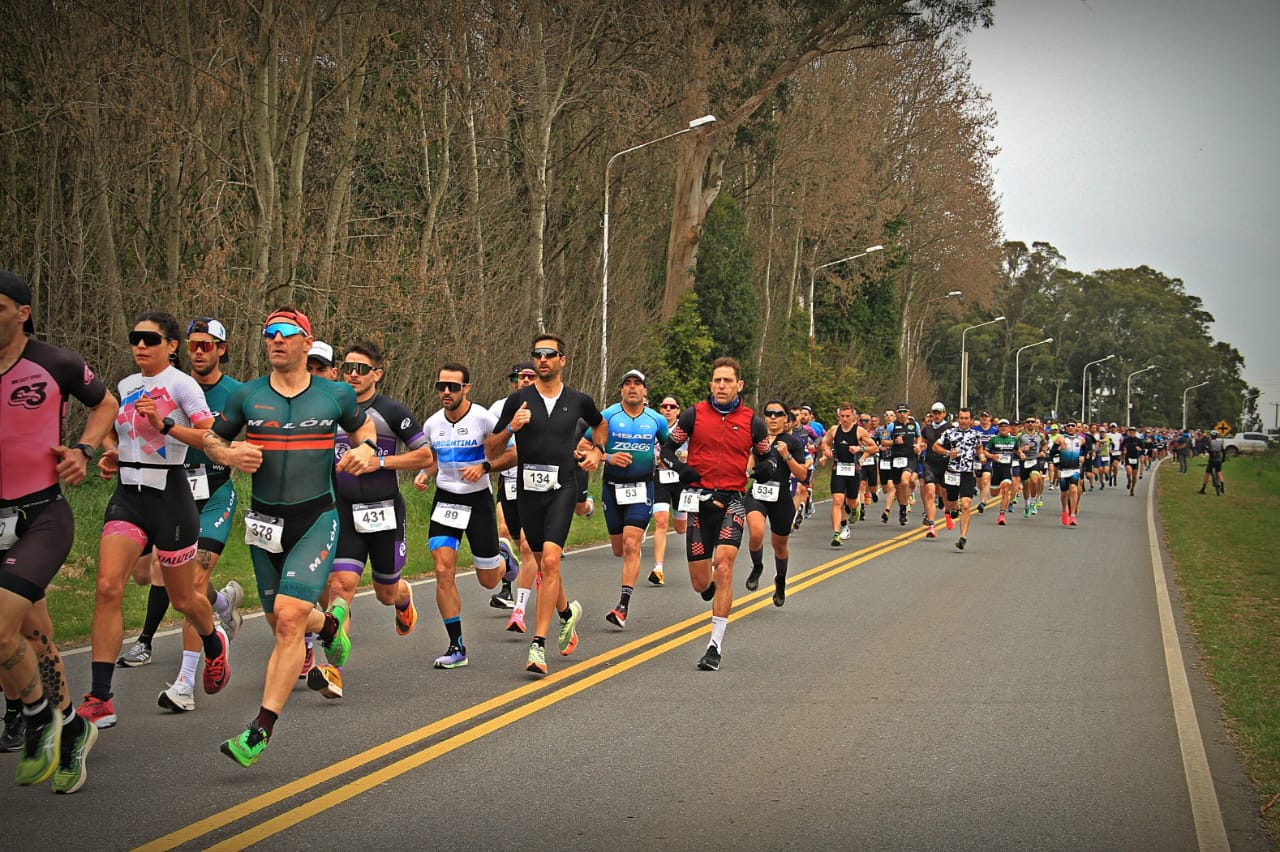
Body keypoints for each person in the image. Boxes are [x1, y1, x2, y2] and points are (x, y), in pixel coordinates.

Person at [204, 306, 379, 767]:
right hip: (264, 523)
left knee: (287, 620)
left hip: (315, 519)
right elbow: (210, 440)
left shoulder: (335, 394)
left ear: (306, 340)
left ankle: (260, 729)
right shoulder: (246, 395)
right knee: (285, 620)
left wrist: (364, 449)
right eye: (269, 333)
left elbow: (364, 430)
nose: (276, 340)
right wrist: (230, 450)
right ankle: (332, 625)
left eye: (286, 333)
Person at [78, 312, 230, 730]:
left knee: (183, 600)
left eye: (150, 339)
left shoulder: (184, 385)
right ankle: (100, 697)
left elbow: (209, 437)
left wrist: (164, 424)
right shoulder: (126, 386)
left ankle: (214, 641)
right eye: (135, 338)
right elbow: (120, 434)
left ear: (171, 346)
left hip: (170, 497)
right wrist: (113, 453)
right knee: (108, 586)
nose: (141, 346)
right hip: (128, 498)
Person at [1, 270, 116, 793]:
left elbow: (106, 403)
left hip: (41, 516)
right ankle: (71, 729)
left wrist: (85, 449)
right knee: (34, 638)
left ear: (22, 312)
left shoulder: (56, 362)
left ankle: (38, 716)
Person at [306, 341, 433, 699]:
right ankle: (333, 668)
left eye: (362, 368)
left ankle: (403, 596)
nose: (353, 374)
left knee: (384, 593)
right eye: (348, 367)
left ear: (377, 373)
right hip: (343, 512)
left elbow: (424, 455)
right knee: (340, 587)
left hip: (385, 514)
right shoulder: (328, 411)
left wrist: (380, 462)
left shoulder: (391, 411)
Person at [141, 317, 247, 714]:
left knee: (195, 584)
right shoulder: (172, 385)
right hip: (174, 492)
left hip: (216, 493)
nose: (199, 351)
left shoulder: (237, 393)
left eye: (208, 345)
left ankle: (184, 684)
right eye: (194, 345)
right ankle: (223, 606)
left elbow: (231, 438)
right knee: (172, 585)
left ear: (222, 348)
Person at [486, 334, 602, 676]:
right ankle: (567, 613)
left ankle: (538, 645)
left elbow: (600, 426)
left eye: (550, 354)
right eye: (537, 354)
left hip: (563, 487)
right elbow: (492, 450)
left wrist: (597, 451)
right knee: (540, 560)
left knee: (550, 561)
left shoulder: (579, 401)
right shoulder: (518, 400)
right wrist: (511, 427)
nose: (543, 359)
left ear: (562, 360)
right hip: (528, 491)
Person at [659, 357, 773, 671]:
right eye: (716, 380)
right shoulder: (694, 415)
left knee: (723, 566)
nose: (721, 386)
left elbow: (767, 457)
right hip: (698, 499)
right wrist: (681, 468)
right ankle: (707, 588)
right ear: (711, 384)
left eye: (727, 381)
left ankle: (714, 646)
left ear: (739, 385)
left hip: (733, 500)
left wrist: (764, 470)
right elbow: (667, 450)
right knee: (700, 582)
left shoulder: (753, 422)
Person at [412, 362, 510, 670]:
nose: (446, 392)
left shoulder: (484, 418)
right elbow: (435, 459)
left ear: (466, 388)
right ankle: (456, 645)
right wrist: (425, 474)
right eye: (441, 386)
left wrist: (484, 467)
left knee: (488, 580)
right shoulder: (431, 425)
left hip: (477, 500)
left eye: (453, 387)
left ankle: (504, 559)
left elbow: (511, 454)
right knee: (443, 569)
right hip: (446, 500)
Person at [598, 370, 669, 628]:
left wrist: (668, 461)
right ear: (620, 391)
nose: (632, 388)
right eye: (627, 384)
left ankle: (622, 606)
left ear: (645, 391)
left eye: (637, 384)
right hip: (611, 488)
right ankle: (632, 546)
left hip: (642, 489)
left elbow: (669, 447)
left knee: (630, 544)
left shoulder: (657, 420)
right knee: (619, 549)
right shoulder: (607, 417)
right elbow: (582, 447)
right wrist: (607, 457)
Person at [744, 400, 808, 604]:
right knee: (756, 531)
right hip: (757, 492)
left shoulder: (793, 442)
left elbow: (802, 474)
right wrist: (746, 472)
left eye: (778, 414)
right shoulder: (757, 439)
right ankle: (757, 567)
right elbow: (749, 463)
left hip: (780, 495)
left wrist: (786, 455)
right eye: (769, 413)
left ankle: (780, 582)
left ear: (785, 419)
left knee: (779, 545)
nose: (773, 417)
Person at [488, 363, 536, 618]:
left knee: (529, 546)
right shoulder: (499, 408)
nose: (526, 380)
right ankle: (510, 578)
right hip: (508, 480)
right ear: (514, 381)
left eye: (531, 376)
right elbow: (490, 443)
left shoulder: (547, 405)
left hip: (538, 484)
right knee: (505, 533)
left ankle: (516, 599)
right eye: (522, 377)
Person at [820, 403, 876, 546]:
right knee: (838, 500)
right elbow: (825, 442)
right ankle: (837, 533)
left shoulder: (859, 431)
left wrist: (860, 448)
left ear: (854, 417)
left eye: (847, 416)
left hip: (853, 470)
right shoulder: (834, 430)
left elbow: (874, 448)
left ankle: (855, 507)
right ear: (838, 417)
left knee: (850, 502)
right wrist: (826, 451)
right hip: (838, 468)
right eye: (842, 416)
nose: (844, 419)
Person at [649, 394, 688, 587]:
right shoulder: (654, 427)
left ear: (678, 410)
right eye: (664, 406)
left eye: (672, 406)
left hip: (681, 480)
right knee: (661, 522)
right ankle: (658, 568)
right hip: (661, 478)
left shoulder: (685, 429)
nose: (668, 409)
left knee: (681, 528)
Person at [932, 407, 985, 550]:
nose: (963, 421)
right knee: (952, 503)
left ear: (971, 420)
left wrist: (981, 456)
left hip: (967, 473)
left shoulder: (975, 434)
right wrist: (948, 452)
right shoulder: (949, 433)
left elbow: (979, 448)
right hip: (951, 473)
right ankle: (952, 510)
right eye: (961, 418)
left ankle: (963, 537)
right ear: (958, 419)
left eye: (966, 418)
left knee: (966, 505)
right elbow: (935, 447)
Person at [879, 404, 920, 527]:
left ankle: (904, 507)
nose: (902, 414)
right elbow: (883, 441)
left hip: (910, 458)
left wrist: (918, 445)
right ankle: (902, 509)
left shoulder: (914, 425)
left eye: (904, 411)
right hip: (896, 459)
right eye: (900, 412)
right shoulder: (892, 426)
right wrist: (894, 442)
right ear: (897, 414)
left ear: (908, 412)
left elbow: (919, 436)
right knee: (898, 487)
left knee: (905, 482)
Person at [918, 402, 949, 537]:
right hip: (930, 463)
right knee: (930, 492)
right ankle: (931, 525)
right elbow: (922, 441)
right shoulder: (927, 429)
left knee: (944, 493)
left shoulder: (950, 428)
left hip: (945, 463)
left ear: (944, 414)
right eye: (934, 413)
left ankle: (947, 513)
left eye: (939, 413)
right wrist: (920, 446)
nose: (936, 415)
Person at [1051, 420, 1086, 525]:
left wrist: (1083, 457)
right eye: (1068, 426)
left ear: (1076, 428)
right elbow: (1051, 453)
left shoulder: (1081, 440)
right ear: (1065, 428)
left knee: (1074, 489)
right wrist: (1058, 450)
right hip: (1063, 469)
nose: (1071, 427)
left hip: (1075, 468)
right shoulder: (1060, 439)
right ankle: (1064, 511)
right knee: (1064, 493)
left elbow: (1086, 451)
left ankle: (1072, 515)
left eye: (1073, 426)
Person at [984, 419, 1020, 525]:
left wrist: (1021, 453)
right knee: (994, 494)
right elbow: (985, 451)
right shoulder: (993, 439)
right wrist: (992, 456)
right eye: (1001, 426)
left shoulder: (1013, 439)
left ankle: (1002, 515)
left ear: (1009, 428)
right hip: (996, 469)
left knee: (1005, 490)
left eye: (1006, 426)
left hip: (1007, 469)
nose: (1003, 428)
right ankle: (998, 488)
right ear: (998, 428)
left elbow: (1017, 449)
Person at [1199, 429, 1225, 495]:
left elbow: (1206, 447)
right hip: (1218, 459)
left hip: (1212, 459)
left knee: (1207, 473)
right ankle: (1222, 486)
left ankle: (1203, 488)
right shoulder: (1219, 442)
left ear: (1211, 435)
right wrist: (1223, 459)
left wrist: (1207, 450)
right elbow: (1224, 451)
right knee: (1219, 472)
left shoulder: (1209, 441)